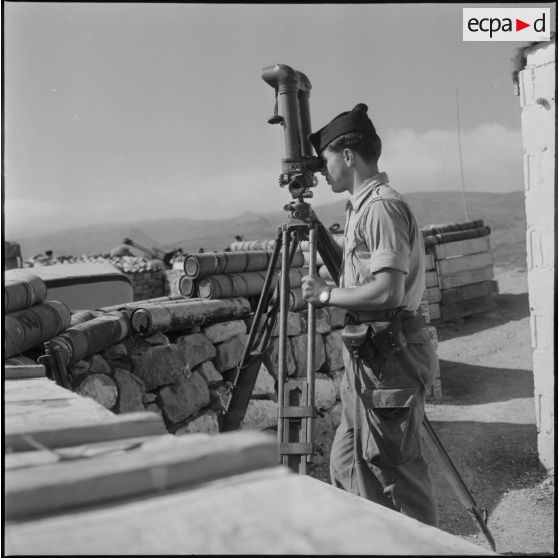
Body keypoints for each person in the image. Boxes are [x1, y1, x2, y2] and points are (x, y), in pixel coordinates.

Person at [301, 103, 438, 526]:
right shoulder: (360, 206)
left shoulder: (379, 207)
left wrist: (325, 296)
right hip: (370, 358)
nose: (322, 171)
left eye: (325, 160)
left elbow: (388, 289)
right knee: (348, 466)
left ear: (347, 156)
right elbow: (365, 274)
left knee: (397, 474)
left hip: (389, 357)